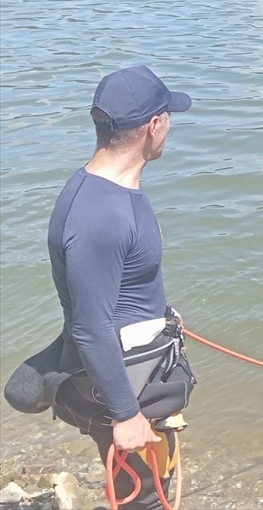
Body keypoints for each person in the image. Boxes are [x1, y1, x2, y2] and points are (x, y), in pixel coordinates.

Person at [45, 66, 194, 509]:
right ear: (153, 126)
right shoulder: (101, 217)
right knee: (143, 498)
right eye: (169, 116)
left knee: (154, 488)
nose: (169, 127)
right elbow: (91, 326)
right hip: (127, 384)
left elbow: (121, 285)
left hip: (138, 368)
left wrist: (160, 315)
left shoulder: (111, 189)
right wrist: (127, 415)